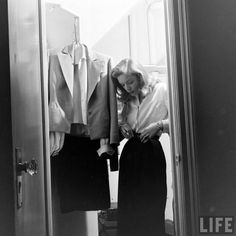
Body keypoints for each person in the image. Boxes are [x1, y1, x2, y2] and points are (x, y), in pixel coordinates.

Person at [111, 58, 169, 236]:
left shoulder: (161, 90)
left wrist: (158, 125)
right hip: (131, 152)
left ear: (140, 77)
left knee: (152, 201)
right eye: (123, 84)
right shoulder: (126, 99)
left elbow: (178, 117)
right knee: (129, 205)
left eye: (130, 82)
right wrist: (122, 126)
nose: (127, 87)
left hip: (151, 151)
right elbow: (120, 123)